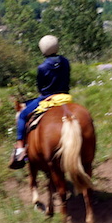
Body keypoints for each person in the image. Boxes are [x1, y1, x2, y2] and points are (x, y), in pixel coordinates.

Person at [9, 34, 70, 169]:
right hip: (65, 97)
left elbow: (41, 88)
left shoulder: (42, 68)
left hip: (46, 98)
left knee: (23, 115)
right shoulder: (65, 61)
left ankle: (20, 147)